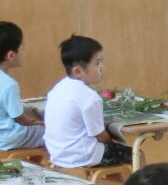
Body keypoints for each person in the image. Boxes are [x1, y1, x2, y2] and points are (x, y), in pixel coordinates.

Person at [44, 34, 133, 169]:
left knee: (114, 151)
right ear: (78, 71)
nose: (102, 67)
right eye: (97, 63)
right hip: (82, 155)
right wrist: (113, 142)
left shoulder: (58, 88)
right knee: (136, 154)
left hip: (57, 153)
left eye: (101, 61)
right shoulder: (89, 97)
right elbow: (99, 135)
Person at [0, 21, 44, 151]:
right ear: (11, 55)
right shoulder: (9, 85)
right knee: (52, 132)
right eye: (22, 48)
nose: (24, 52)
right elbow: (19, 118)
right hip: (9, 137)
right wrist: (35, 123)